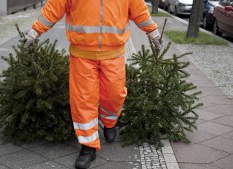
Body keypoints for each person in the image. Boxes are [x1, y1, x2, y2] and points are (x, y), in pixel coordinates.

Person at [24, 0, 162, 168]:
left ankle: (110, 122)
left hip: (114, 54)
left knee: (114, 95)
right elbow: (54, 7)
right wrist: (35, 31)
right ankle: (88, 146)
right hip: (81, 54)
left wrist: (153, 32)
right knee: (83, 100)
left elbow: (139, 10)